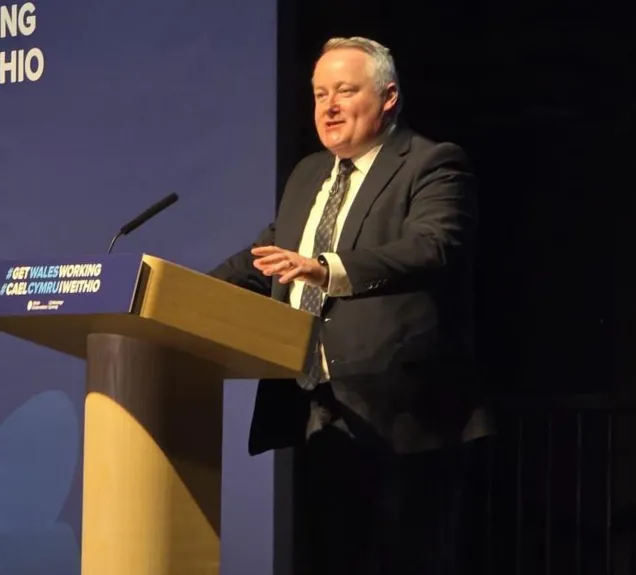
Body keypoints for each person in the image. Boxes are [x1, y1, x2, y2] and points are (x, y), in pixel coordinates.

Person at [209, 36, 493, 575]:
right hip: (318, 409)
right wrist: (171, 290)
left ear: (389, 98)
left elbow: (434, 245)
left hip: (406, 416)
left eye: (344, 91)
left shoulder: (432, 163)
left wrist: (328, 269)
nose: (329, 107)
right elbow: (267, 255)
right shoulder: (308, 175)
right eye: (319, 94)